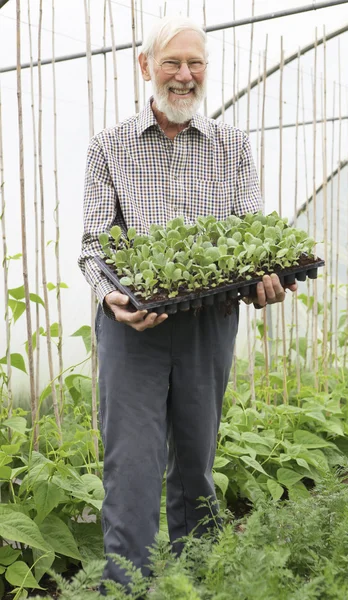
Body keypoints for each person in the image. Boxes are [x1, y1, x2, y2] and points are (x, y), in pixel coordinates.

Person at [78, 15, 297, 590]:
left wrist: (265, 274)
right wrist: (112, 298)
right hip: (135, 330)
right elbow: (94, 246)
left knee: (196, 465)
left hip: (207, 325)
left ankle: (196, 582)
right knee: (132, 469)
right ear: (146, 67)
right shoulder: (109, 148)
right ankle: (125, 587)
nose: (184, 75)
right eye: (172, 62)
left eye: (195, 63)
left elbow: (253, 233)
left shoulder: (232, 146)